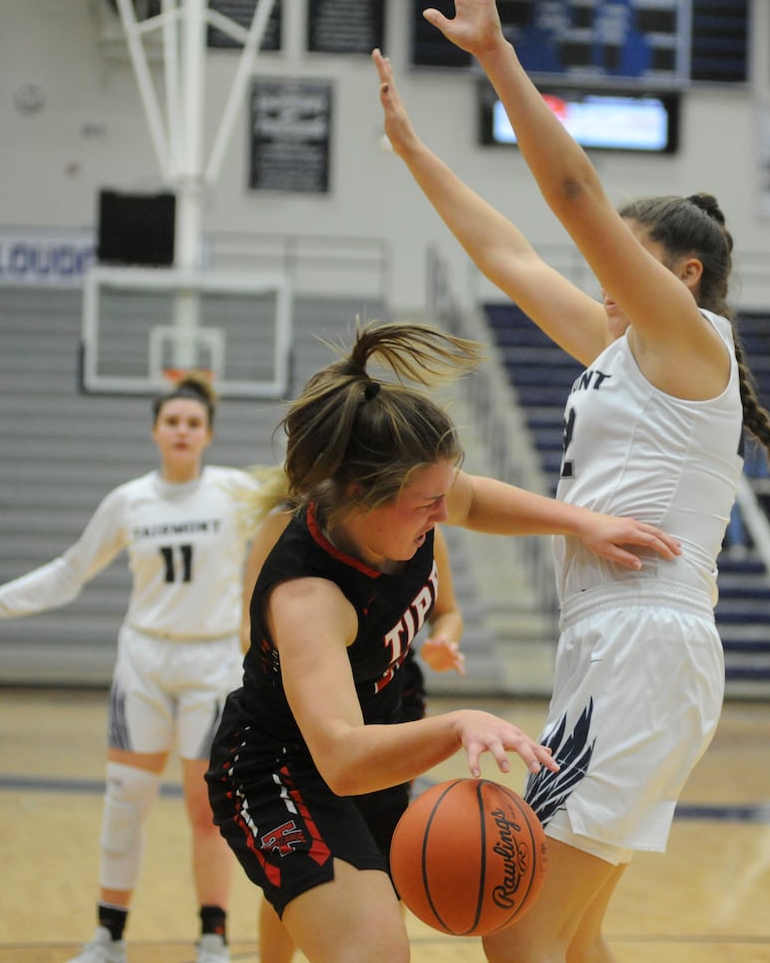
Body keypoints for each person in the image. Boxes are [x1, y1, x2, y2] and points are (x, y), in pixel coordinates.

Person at [373, 0, 770, 960]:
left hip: (643, 643)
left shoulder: (691, 341)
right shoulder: (620, 347)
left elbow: (571, 193)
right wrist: (415, 154)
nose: (599, 274)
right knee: (569, 937)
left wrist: (497, 56)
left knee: (516, 923)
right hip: (612, 649)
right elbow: (509, 256)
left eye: (620, 259)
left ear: (681, 275)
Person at [205, 320, 682, 963]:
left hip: (377, 750)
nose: (441, 514)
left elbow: (477, 501)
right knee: (372, 952)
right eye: (427, 504)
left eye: (441, 497)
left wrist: (584, 523)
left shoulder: (407, 501)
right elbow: (341, 757)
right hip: (283, 769)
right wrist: (459, 723)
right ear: (356, 494)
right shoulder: (309, 598)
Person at [0, 372, 264, 963]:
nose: (181, 431)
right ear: (154, 430)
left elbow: (301, 502)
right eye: (172, 421)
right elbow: (69, 572)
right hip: (144, 661)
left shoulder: (237, 492)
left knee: (209, 812)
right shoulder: (128, 500)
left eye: (193, 423)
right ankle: (108, 939)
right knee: (126, 804)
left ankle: (212, 939)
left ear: (209, 434)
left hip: (213, 664)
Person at [241, 486, 466, 963]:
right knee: (309, 861)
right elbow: (252, 628)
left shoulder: (420, 525)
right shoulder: (284, 531)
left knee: (386, 860)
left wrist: (443, 643)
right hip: (314, 713)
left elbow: (449, 613)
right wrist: (316, 657)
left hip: (392, 707)